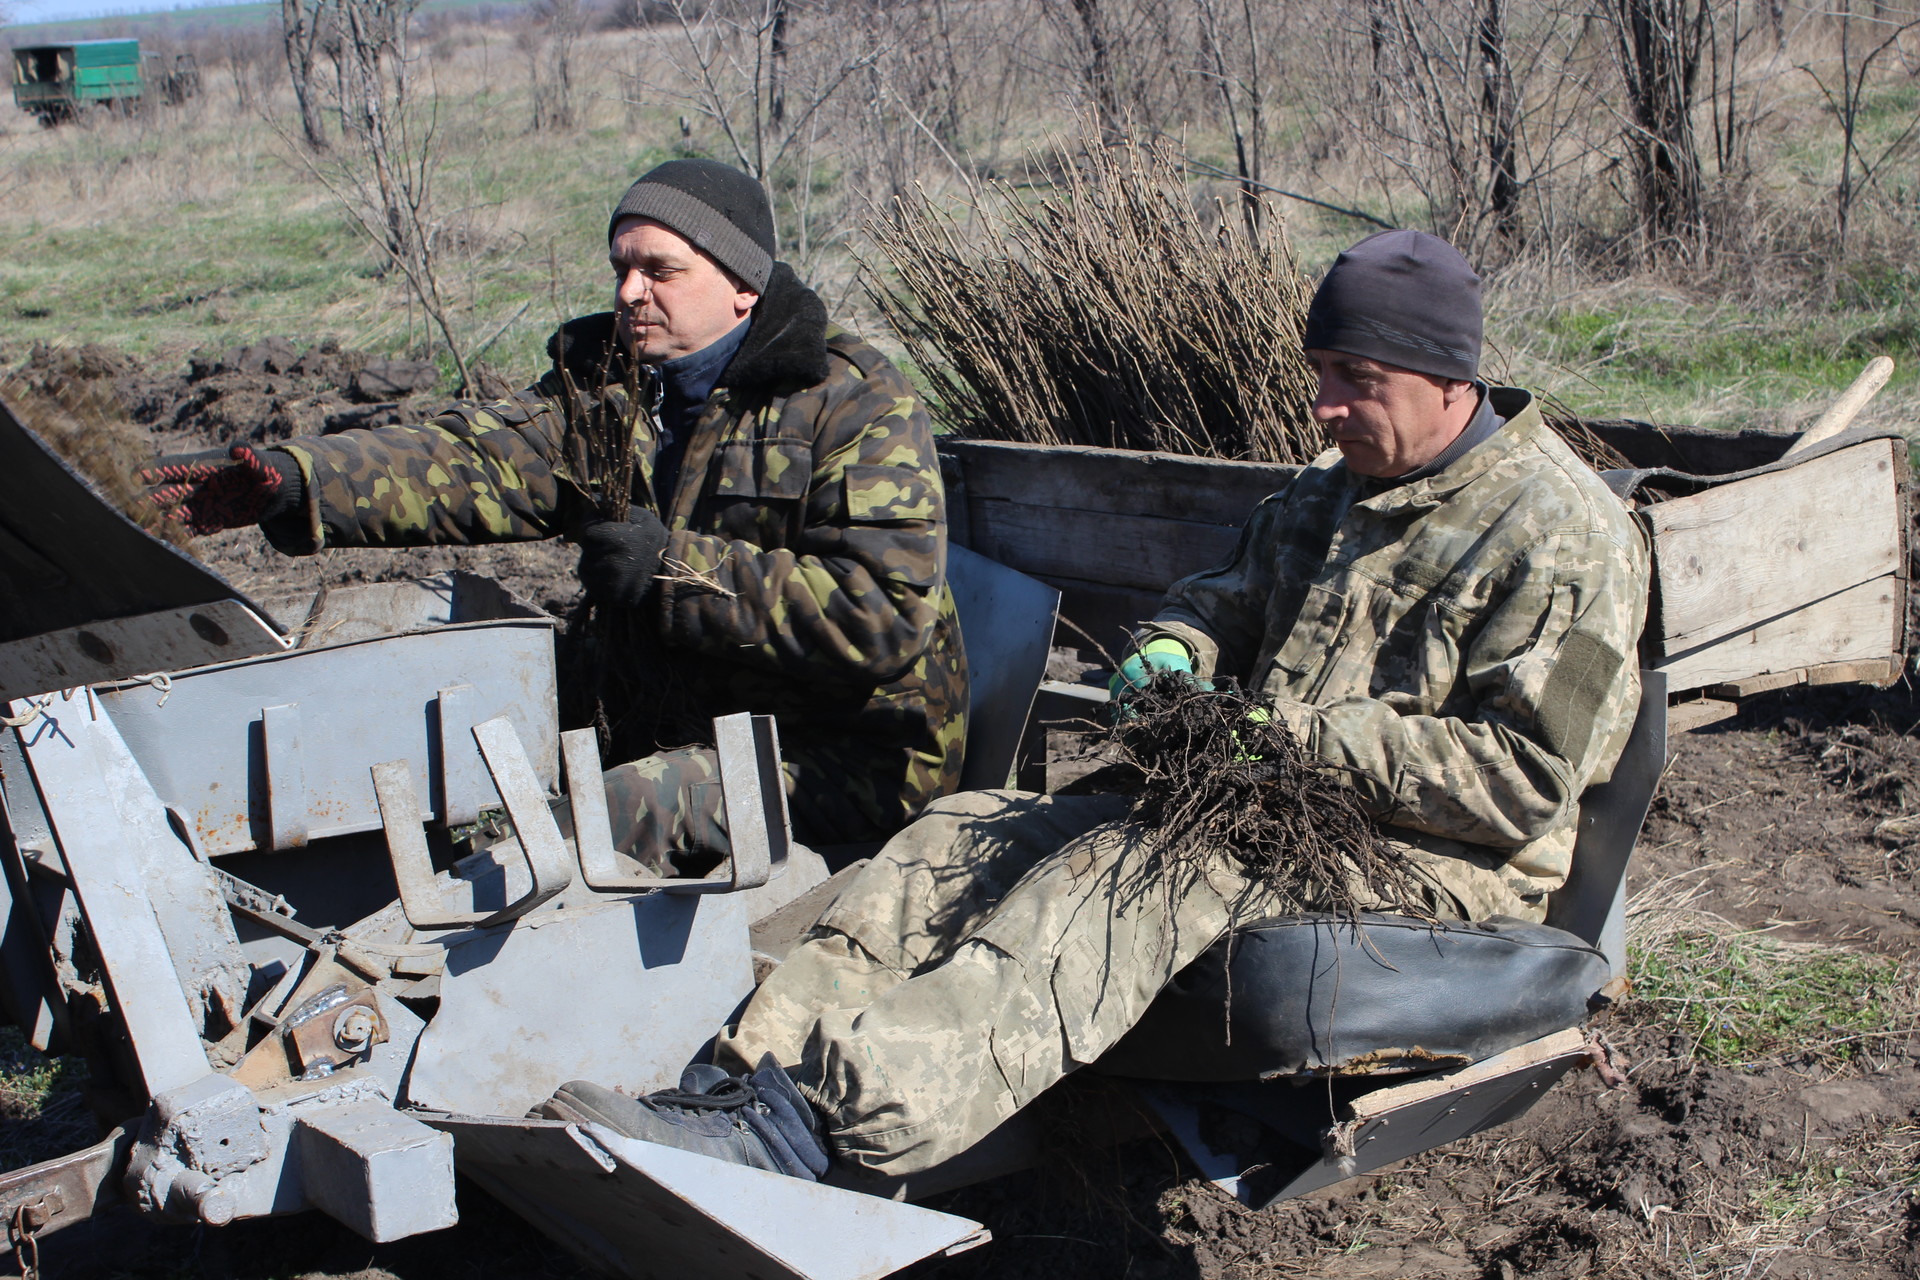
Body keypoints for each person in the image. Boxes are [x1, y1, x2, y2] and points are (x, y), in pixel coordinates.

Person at [539, 230, 1652, 1184]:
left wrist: (1282, 735)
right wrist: (1176, 647)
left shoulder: (1565, 537)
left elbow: (1525, 781)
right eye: (1320, 372)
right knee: (962, 835)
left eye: (1355, 377)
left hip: (1429, 864)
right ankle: (732, 1086)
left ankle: (809, 1135)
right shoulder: (1329, 490)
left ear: (1449, 376)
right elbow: (1219, 602)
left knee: (1113, 882)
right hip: (1252, 798)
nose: (1323, 406)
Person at [141, 159, 966, 870]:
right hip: (693, 710)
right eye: (620, 268)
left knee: (594, 820)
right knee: (458, 721)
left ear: (743, 285)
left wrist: (671, 570)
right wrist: (297, 480)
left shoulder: (851, 404)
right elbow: (471, 460)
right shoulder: (613, 386)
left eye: (660, 271)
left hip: (846, 751)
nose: (629, 292)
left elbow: (881, 616)